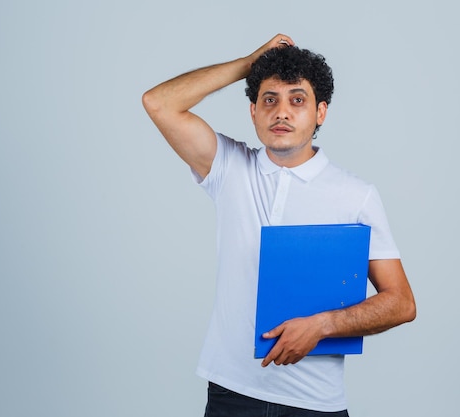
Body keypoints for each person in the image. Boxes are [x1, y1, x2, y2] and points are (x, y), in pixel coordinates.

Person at [142, 34, 416, 417]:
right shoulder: (229, 168)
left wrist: (323, 325)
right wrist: (248, 64)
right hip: (230, 394)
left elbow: (401, 303)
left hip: (315, 402)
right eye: (269, 100)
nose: (281, 112)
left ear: (321, 113)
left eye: (297, 100)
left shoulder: (356, 195)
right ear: (253, 111)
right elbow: (160, 103)